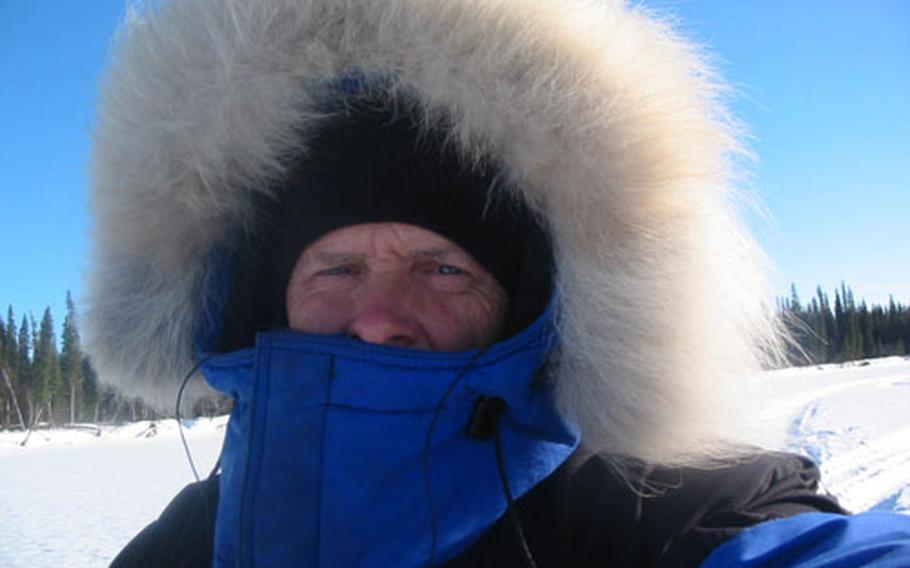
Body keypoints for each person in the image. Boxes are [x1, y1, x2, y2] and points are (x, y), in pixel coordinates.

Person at [86, 0, 910, 566]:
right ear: (265, 297)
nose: (378, 320)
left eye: (441, 268)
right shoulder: (192, 540)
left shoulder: (660, 510)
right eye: (337, 268)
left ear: (525, 296)